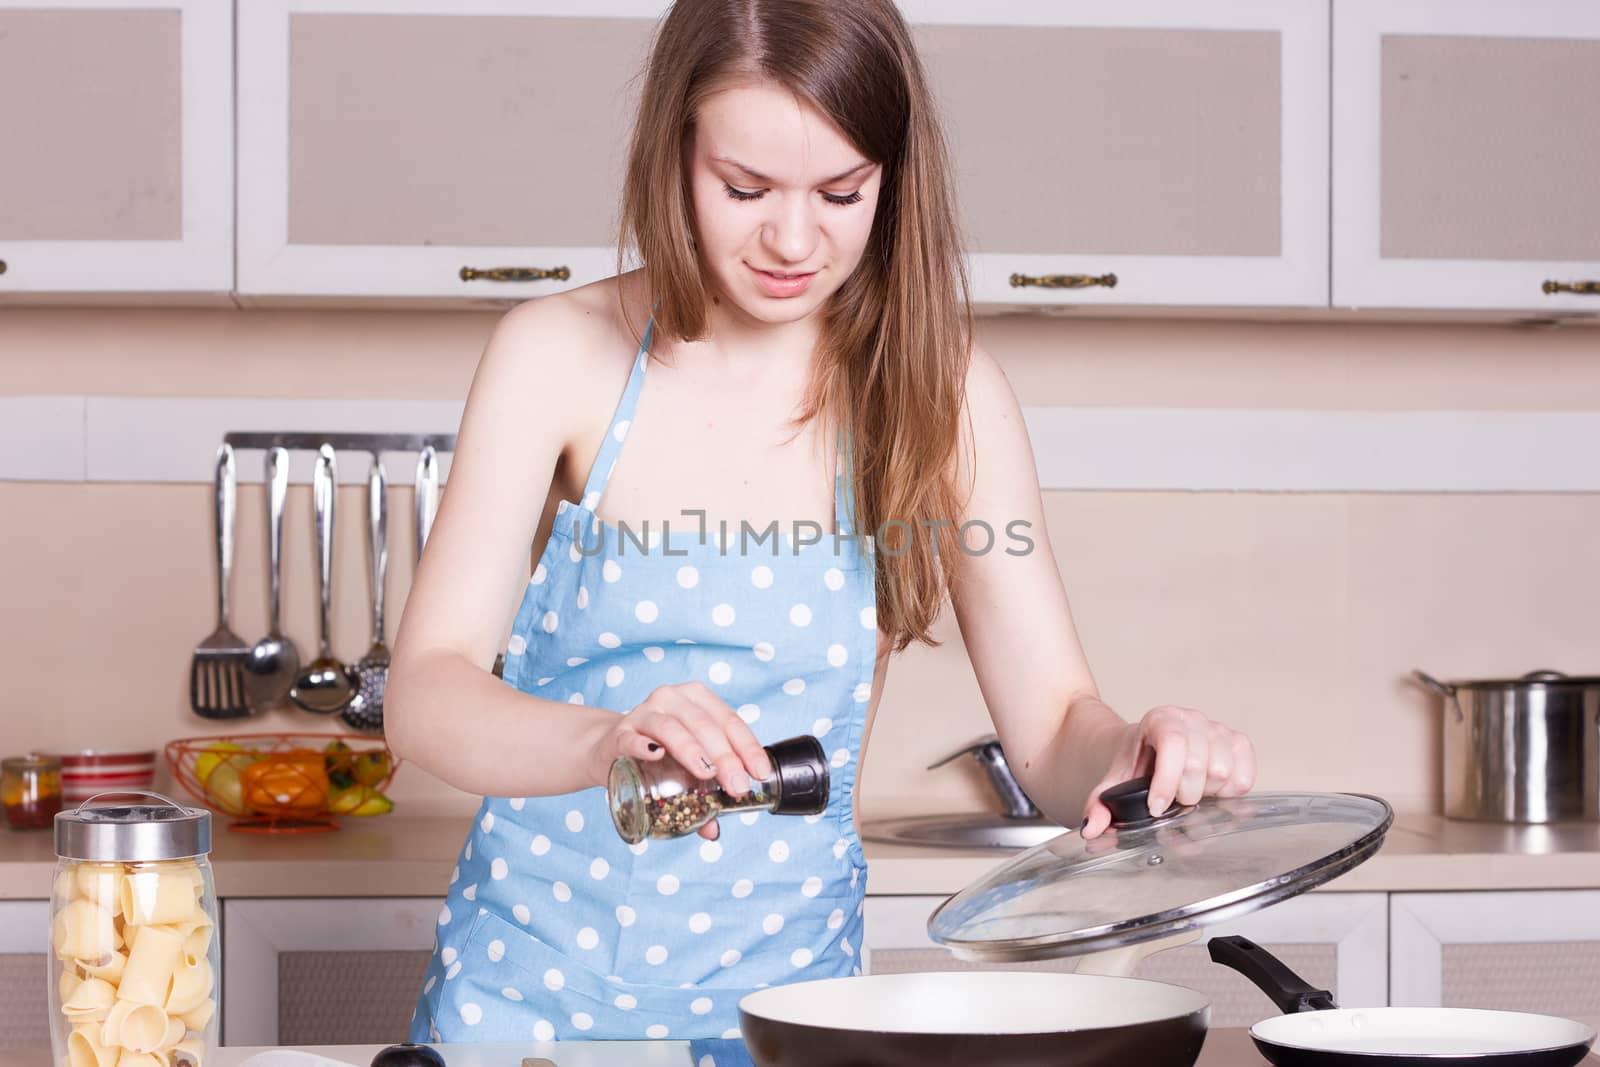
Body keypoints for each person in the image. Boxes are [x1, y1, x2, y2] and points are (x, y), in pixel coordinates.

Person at [385, 0, 1257, 1055]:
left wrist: (1136, 753)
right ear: (676, 154)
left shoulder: (944, 396)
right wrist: (607, 741)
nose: (794, 240)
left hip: (787, 1014)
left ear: (892, 177)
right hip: (519, 999)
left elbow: (1055, 724)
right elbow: (427, 690)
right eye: (744, 188)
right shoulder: (556, 355)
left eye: (843, 192)